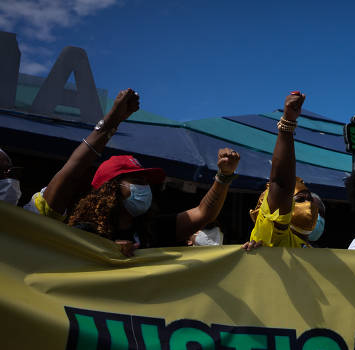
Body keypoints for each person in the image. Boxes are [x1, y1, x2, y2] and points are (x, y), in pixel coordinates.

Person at [66, 148, 239, 255]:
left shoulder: (151, 229)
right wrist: (105, 252)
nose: (145, 188)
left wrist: (223, 176)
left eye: (146, 183)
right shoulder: (84, 233)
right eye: (138, 181)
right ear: (110, 189)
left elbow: (203, 213)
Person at [23, 89, 141, 220]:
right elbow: (72, 173)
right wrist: (112, 121)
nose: (144, 188)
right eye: (138, 181)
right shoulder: (36, 221)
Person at [247, 92, 318, 249]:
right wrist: (287, 124)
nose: (310, 205)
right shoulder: (272, 234)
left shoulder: (310, 249)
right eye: (300, 200)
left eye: (310, 199)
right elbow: (281, 184)